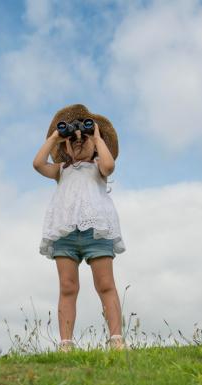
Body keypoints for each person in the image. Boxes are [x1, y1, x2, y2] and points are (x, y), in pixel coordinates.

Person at [32, 104, 127, 352]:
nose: (77, 142)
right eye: (71, 140)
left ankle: (116, 340)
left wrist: (95, 135)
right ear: (63, 147)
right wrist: (56, 136)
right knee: (67, 287)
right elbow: (37, 163)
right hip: (65, 233)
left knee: (106, 285)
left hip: (96, 231)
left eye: (83, 139)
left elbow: (109, 165)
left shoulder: (98, 168)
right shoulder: (61, 171)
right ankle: (66, 344)